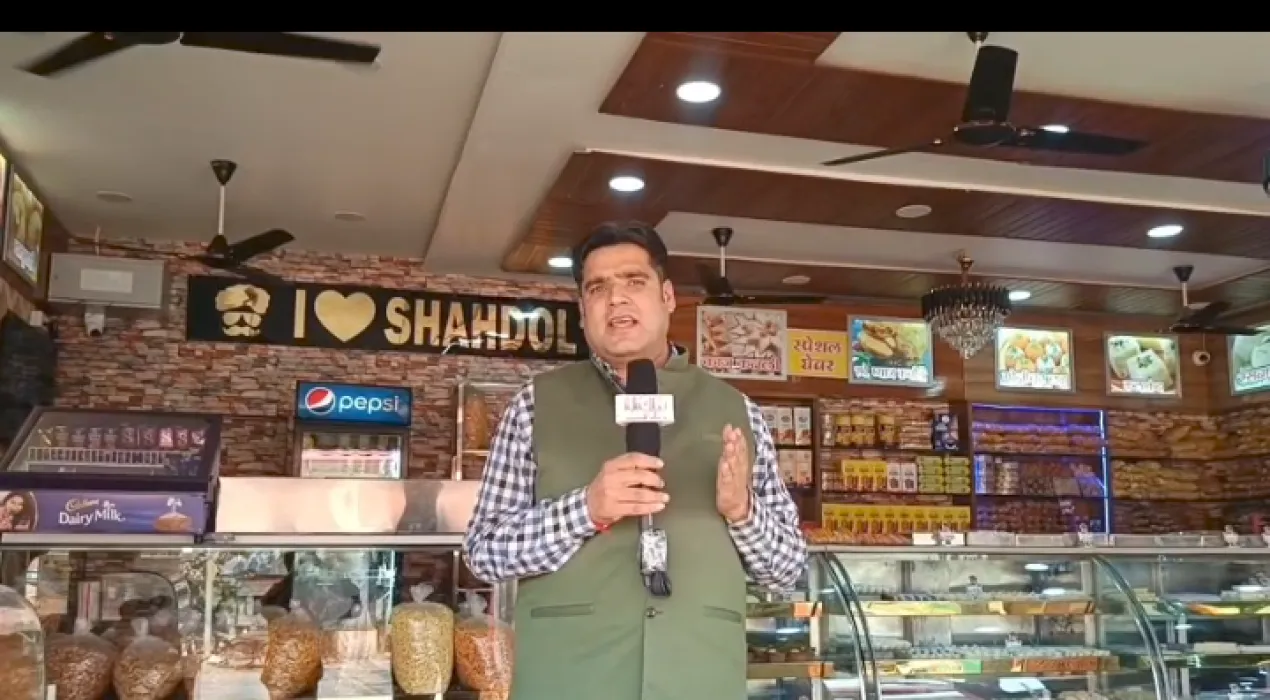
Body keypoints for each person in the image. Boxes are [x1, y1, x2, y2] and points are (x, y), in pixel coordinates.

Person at [463, 221, 807, 700]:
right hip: (570, 679)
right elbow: (484, 553)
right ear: (582, 310)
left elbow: (787, 570)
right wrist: (585, 509)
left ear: (667, 297)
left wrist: (743, 512)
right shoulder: (534, 406)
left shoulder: (738, 412)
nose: (616, 299)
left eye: (634, 281)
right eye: (597, 288)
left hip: (700, 678)